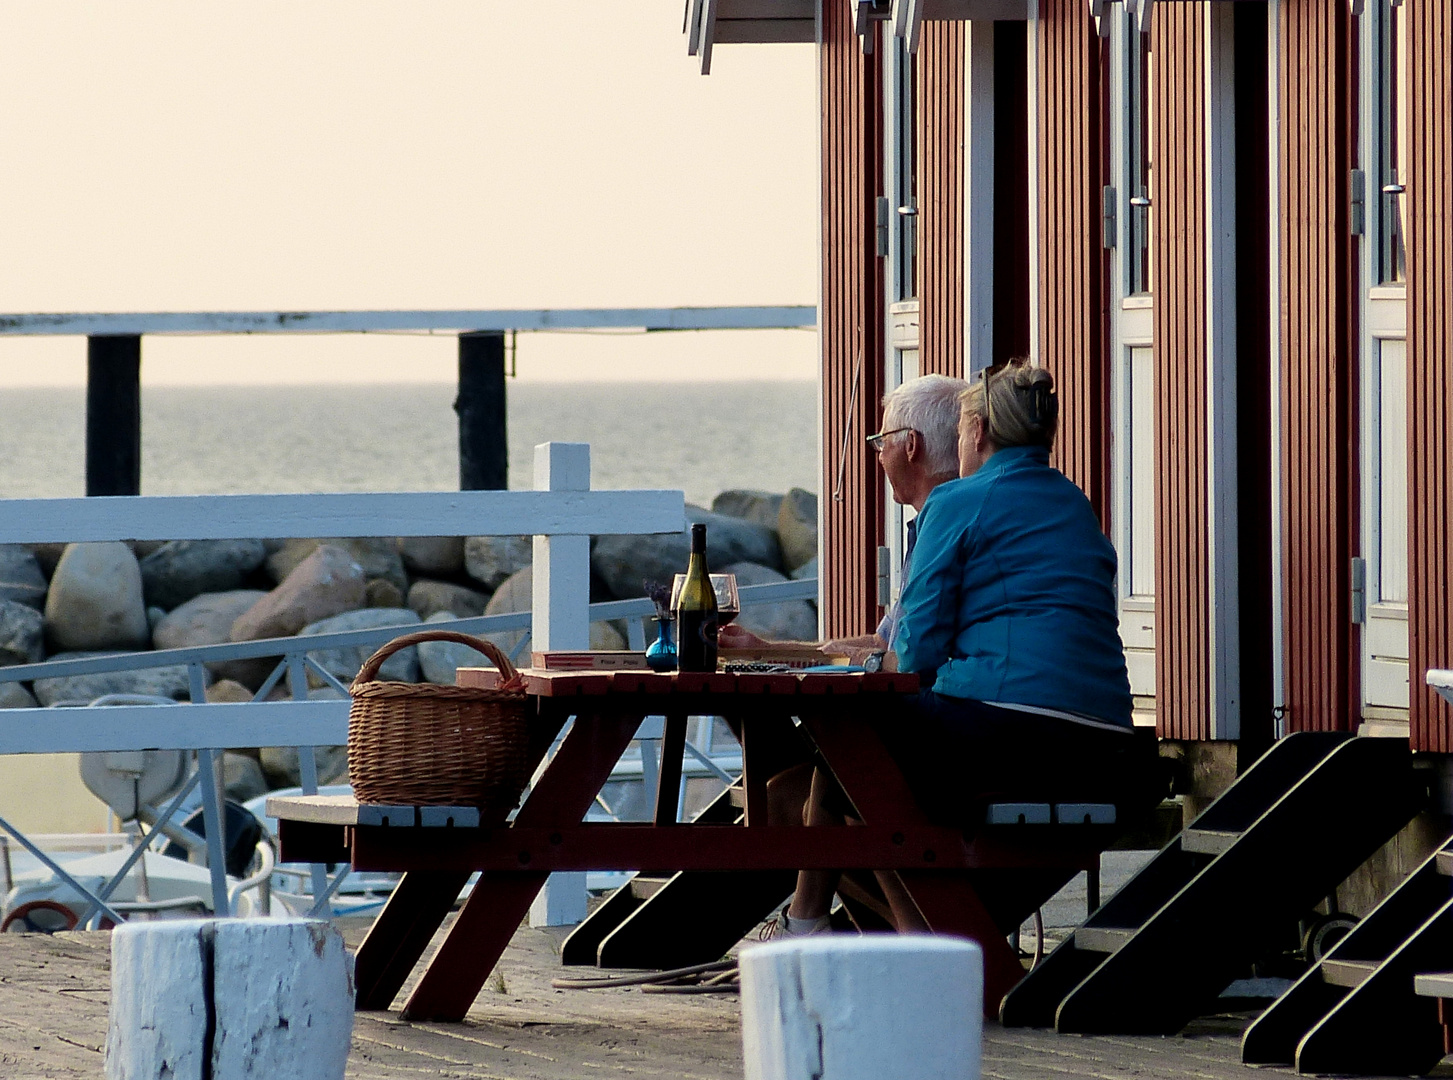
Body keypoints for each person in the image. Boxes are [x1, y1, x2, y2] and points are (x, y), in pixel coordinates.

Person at [773, 359, 1139, 936]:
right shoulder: (1074, 502)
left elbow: (914, 655)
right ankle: (873, 932)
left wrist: (868, 662)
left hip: (1010, 728)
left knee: (849, 742)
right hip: (1106, 745)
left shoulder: (960, 502)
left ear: (976, 433)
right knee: (858, 775)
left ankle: (873, 936)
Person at [719, 372, 967, 663]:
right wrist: (761, 650)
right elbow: (882, 642)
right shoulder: (951, 522)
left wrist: (860, 661)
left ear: (911, 445)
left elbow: (909, 662)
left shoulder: (945, 534)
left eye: (882, 442)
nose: (880, 456)